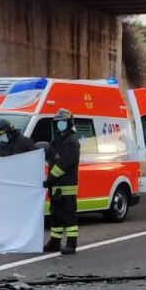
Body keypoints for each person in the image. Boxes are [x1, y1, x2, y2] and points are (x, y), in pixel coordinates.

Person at [45, 108, 80, 255]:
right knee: (55, 215)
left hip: (67, 186)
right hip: (55, 186)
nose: (60, 124)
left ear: (69, 123)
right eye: (58, 122)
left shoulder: (72, 142)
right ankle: (54, 242)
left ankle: (71, 244)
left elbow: (63, 164)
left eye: (62, 122)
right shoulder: (56, 140)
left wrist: (50, 178)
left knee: (69, 215)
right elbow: (51, 159)